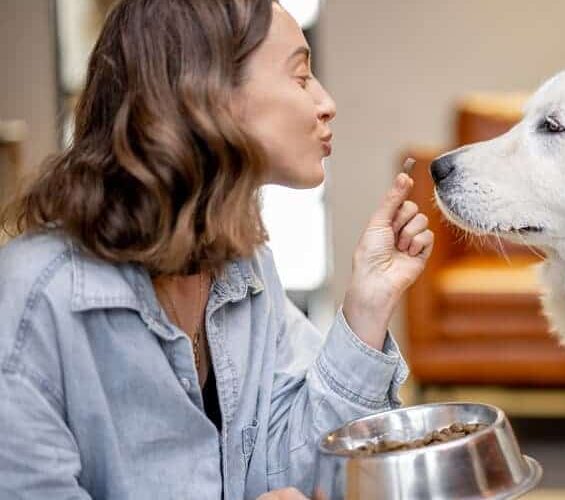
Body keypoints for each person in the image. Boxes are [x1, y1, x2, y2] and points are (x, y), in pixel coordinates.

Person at [0, 1, 433, 498]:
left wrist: (367, 303)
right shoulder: (34, 300)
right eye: (300, 76)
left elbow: (300, 467)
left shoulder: (243, 264)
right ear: (206, 92)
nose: (326, 101)